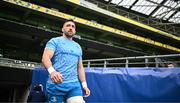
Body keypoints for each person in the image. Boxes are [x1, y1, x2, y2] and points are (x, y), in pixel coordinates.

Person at [42, 19, 90, 103]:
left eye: (73, 26)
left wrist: (84, 85)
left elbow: (80, 67)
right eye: (68, 25)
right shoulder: (54, 41)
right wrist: (52, 72)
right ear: (62, 29)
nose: (70, 28)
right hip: (56, 85)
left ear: (75, 31)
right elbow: (45, 58)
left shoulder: (78, 46)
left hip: (74, 85)